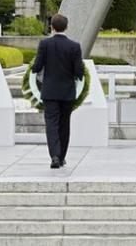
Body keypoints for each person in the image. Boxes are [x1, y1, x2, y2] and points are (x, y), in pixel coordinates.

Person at [32, 13, 84, 169]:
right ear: (67, 27)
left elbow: (37, 67)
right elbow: (79, 71)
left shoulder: (45, 44)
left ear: (52, 27)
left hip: (50, 91)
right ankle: (62, 157)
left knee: (51, 124)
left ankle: (54, 155)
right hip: (67, 92)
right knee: (64, 124)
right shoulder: (74, 46)